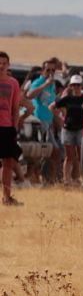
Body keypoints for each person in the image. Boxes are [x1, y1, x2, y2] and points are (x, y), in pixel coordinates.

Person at [26, 60, 61, 183]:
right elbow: (29, 95)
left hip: (48, 122)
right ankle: (31, 177)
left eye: (53, 70)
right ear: (42, 71)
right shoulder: (39, 82)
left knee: (54, 151)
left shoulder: (53, 85)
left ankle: (51, 179)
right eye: (48, 70)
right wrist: (45, 84)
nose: (50, 73)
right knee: (38, 152)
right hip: (38, 122)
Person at [53, 74, 83, 186]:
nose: (76, 87)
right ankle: (66, 179)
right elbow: (52, 106)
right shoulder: (67, 99)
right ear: (71, 86)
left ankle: (80, 178)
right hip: (68, 129)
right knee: (70, 156)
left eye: (78, 85)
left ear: (82, 85)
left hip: (81, 129)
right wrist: (60, 118)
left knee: (81, 155)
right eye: (74, 85)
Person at [0, 51, 24, 206]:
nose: (1, 66)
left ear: (8, 65)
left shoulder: (14, 83)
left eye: (4, 63)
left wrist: (15, 128)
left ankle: (7, 198)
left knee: (8, 162)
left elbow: (15, 108)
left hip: (7, 127)